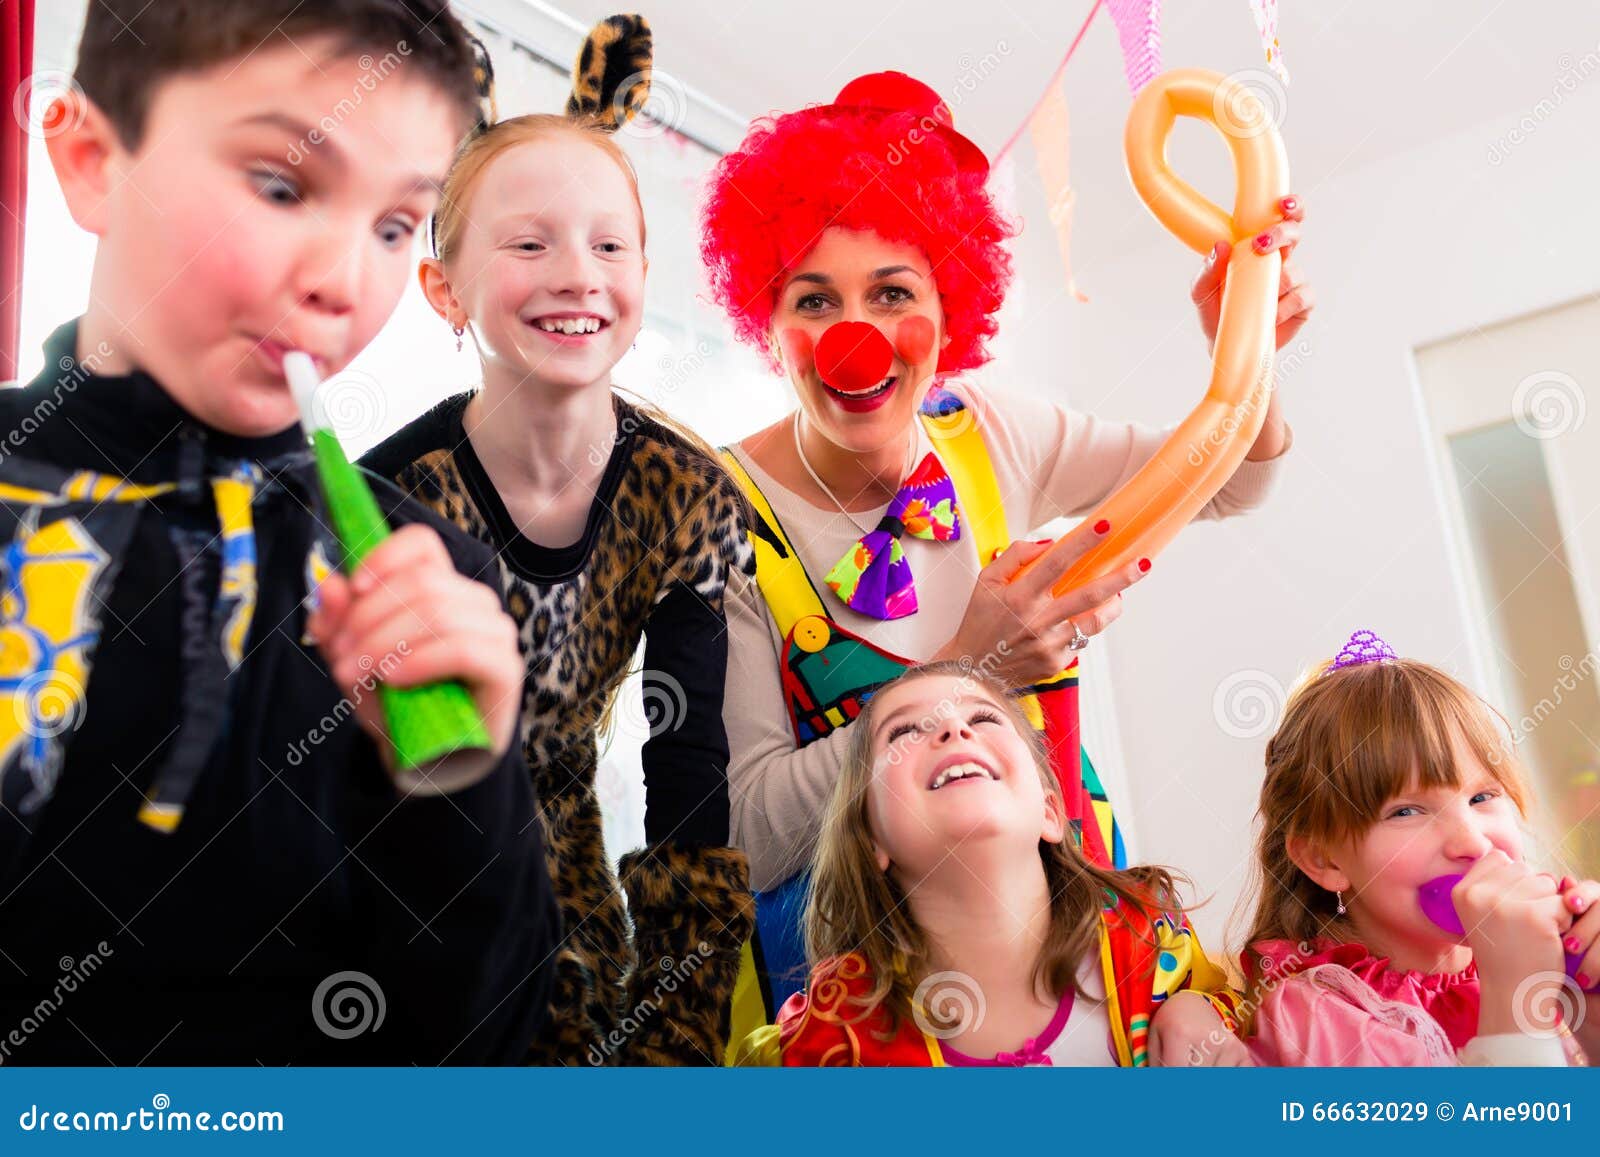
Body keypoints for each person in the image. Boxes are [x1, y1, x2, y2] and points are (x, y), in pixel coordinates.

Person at [0, 0, 557, 1064]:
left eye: (396, 226)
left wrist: (461, 791)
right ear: (89, 160)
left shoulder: (429, 578)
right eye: (280, 184)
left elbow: (480, 1050)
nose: (343, 285)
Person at [361, 17, 754, 1065]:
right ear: (443, 288)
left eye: (608, 244)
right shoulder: (384, 494)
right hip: (399, 875)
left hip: (569, 886)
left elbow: (687, 765)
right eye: (529, 243)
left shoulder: (689, 496)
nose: (577, 273)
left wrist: (681, 1014)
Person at [1238, 631, 1596, 1066]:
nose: (1471, 842)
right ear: (1323, 859)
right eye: (1407, 812)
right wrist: (1515, 1001)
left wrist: (1592, 1020)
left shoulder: (1544, 965)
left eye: (1482, 797)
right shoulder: (1315, 1018)